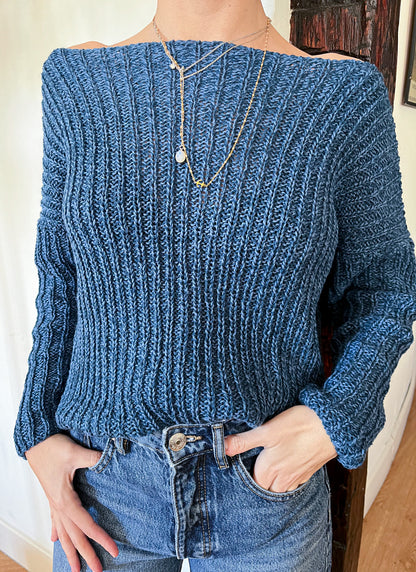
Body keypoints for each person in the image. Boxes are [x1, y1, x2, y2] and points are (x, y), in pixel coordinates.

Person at [13, 1, 416, 571]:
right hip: (102, 488)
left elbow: (386, 287)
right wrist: (36, 431)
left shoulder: (341, 97)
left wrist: (338, 418)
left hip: (264, 495)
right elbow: (60, 278)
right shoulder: (77, 82)